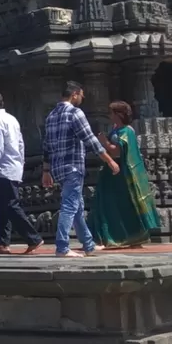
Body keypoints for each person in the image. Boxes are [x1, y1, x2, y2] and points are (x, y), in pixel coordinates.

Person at [42, 80, 120, 258]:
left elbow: (46, 145)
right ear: (74, 94)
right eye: (81, 95)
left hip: (58, 168)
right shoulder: (75, 113)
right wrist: (110, 161)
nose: (82, 99)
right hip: (73, 166)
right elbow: (90, 140)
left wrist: (46, 171)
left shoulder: (51, 116)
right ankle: (62, 247)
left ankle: (88, 244)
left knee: (77, 206)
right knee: (70, 206)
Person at [91, 101, 163, 248]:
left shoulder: (127, 131)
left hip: (122, 174)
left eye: (111, 113)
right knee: (108, 204)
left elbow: (117, 151)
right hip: (111, 173)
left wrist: (104, 142)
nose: (109, 116)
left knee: (123, 204)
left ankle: (129, 236)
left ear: (119, 114)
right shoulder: (116, 129)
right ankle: (110, 237)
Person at [0, 89, 40, 254]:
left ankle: (33, 237)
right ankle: (3, 242)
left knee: (10, 205)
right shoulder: (11, 119)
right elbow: (20, 143)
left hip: (2, 167)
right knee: (1, 206)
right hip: (13, 165)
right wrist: (21, 162)